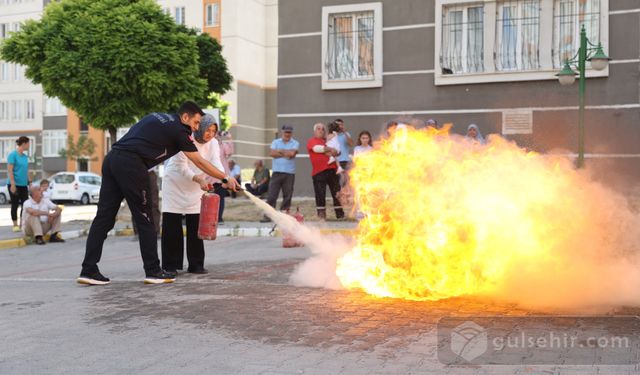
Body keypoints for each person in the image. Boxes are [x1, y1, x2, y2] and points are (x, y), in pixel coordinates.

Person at [77, 101, 239, 286]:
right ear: (185, 117)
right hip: (132, 165)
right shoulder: (180, 131)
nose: (195, 128)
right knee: (146, 219)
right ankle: (153, 271)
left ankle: (88, 269)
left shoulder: (155, 116)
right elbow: (199, 162)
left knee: (103, 218)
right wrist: (225, 178)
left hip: (112, 159)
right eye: (195, 123)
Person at [161, 115, 223, 275]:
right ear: (200, 127)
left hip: (197, 186)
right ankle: (170, 265)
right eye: (208, 130)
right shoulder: (186, 139)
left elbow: (215, 162)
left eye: (213, 131)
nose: (210, 134)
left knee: (195, 224)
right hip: (175, 183)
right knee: (172, 225)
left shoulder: (214, 143)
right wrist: (198, 179)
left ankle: (196, 264)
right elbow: (181, 167)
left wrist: (224, 178)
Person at [261, 125, 299, 222]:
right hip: (276, 172)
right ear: (282, 132)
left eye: (289, 132)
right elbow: (272, 154)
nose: (287, 134)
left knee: (287, 195)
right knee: (272, 195)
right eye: (286, 132)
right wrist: (285, 153)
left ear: (292, 133)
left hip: (289, 173)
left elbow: (291, 155)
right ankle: (268, 216)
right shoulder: (275, 142)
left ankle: (284, 217)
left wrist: (279, 151)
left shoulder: (295, 143)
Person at [307, 122, 344, 220]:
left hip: (332, 170)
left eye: (323, 129)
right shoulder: (312, 141)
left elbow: (337, 151)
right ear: (315, 131)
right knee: (320, 194)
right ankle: (321, 216)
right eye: (318, 128)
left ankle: (340, 215)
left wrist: (334, 150)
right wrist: (329, 149)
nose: (321, 130)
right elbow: (317, 149)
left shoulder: (328, 139)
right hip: (319, 172)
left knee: (337, 193)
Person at [8, 136, 30, 232]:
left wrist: (30, 182)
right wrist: (13, 184)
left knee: (25, 204)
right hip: (14, 184)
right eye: (28, 143)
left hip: (23, 184)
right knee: (15, 204)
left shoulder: (25, 157)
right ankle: (15, 224)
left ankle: (22, 223)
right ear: (24, 143)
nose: (29, 145)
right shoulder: (12, 155)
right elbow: (10, 170)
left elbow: (26, 170)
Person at [213, 130, 234, 223]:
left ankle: (219, 218)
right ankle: (211, 217)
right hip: (210, 176)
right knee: (209, 198)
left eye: (217, 133)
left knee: (220, 198)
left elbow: (230, 152)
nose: (217, 135)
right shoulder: (208, 145)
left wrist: (229, 138)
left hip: (222, 177)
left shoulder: (223, 145)